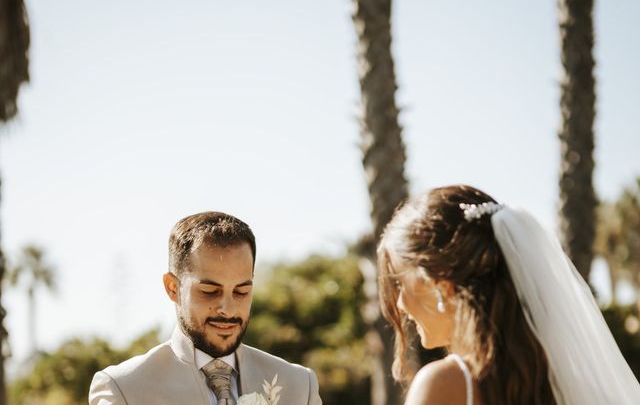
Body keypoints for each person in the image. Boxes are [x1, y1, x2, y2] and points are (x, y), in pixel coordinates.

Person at [378, 184, 640, 405]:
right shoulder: (571, 383)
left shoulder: (444, 384)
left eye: (400, 283)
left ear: (441, 285)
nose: (399, 304)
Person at [89, 211, 322, 405]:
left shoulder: (299, 386)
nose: (228, 310)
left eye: (241, 291)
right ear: (172, 288)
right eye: (210, 292)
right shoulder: (124, 389)